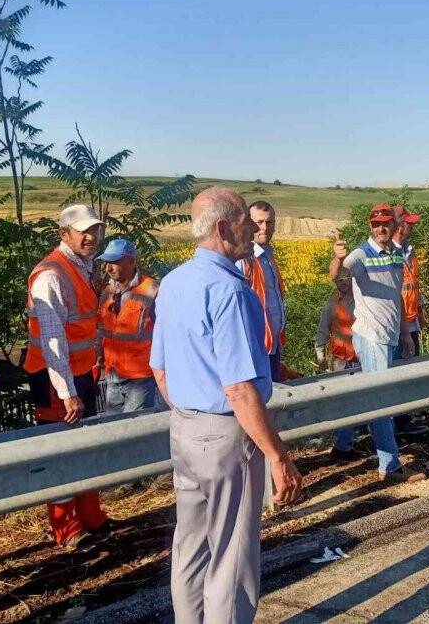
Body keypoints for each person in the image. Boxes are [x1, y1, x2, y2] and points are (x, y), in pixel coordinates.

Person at [150, 187, 302, 624]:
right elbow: (239, 389)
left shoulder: (174, 283)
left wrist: (189, 413)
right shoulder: (231, 292)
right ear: (223, 228)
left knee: (191, 546)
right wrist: (277, 455)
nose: (254, 228)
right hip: (226, 433)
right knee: (232, 555)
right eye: (244, 221)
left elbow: (158, 368)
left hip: (184, 428)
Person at [25, 204, 109, 548]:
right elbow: (52, 340)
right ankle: (67, 530)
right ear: (65, 234)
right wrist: (66, 391)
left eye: (95, 230)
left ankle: (91, 517)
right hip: (55, 380)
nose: (91, 237)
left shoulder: (80, 267)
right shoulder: (52, 275)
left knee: (83, 447)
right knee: (60, 452)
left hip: (79, 373)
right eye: (83, 231)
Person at [327, 204, 424, 482]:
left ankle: (343, 443)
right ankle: (389, 466)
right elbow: (338, 276)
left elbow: (395, 297)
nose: (381, 229)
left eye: (385, 224)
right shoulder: (362, 254)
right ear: (370, 227)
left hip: (391, 335)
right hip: (372, 337)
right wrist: (337, 259)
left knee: (365, 393)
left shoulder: (394, 254)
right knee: (382, 400)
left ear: (393, 227)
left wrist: (405, 332)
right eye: (375, 224)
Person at [96, 238, 162, 413]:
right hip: (112, 375)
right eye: (107, 262)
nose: (108, 268)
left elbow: (167, 335)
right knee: (114, 431)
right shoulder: (108, 292)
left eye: (115, 262)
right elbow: (102, 330)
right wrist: (98, 362)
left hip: (140, 378)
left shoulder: (153, 290)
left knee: (134, 431)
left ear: (132, 261)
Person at [237, 200, 286, 383]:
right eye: (259, 222)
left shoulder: (268, 258)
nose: (264, 228)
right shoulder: (243, 260)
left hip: (272, 344)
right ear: (248, 223)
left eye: (269, 222)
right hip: (254, 348)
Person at [392, 205, 429, 437]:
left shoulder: (409, 251)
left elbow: (413, 284)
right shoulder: (388, 252)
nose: (412, 226)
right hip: (396, 324)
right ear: (399, 225)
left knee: (411, 368)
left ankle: (407, 415)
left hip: (412, 319)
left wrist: (421, 311)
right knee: (399, 371)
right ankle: (399, 422)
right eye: (409, 223)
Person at [315, 268, 358, 372]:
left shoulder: (361, 299)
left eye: (346, 278)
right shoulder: (331, 303)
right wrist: (320, 355)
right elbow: (323, 329)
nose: (343, 282)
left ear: (352, 279)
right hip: (340, 360)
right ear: (335, 282)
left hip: (361, 356)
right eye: (339, 279)